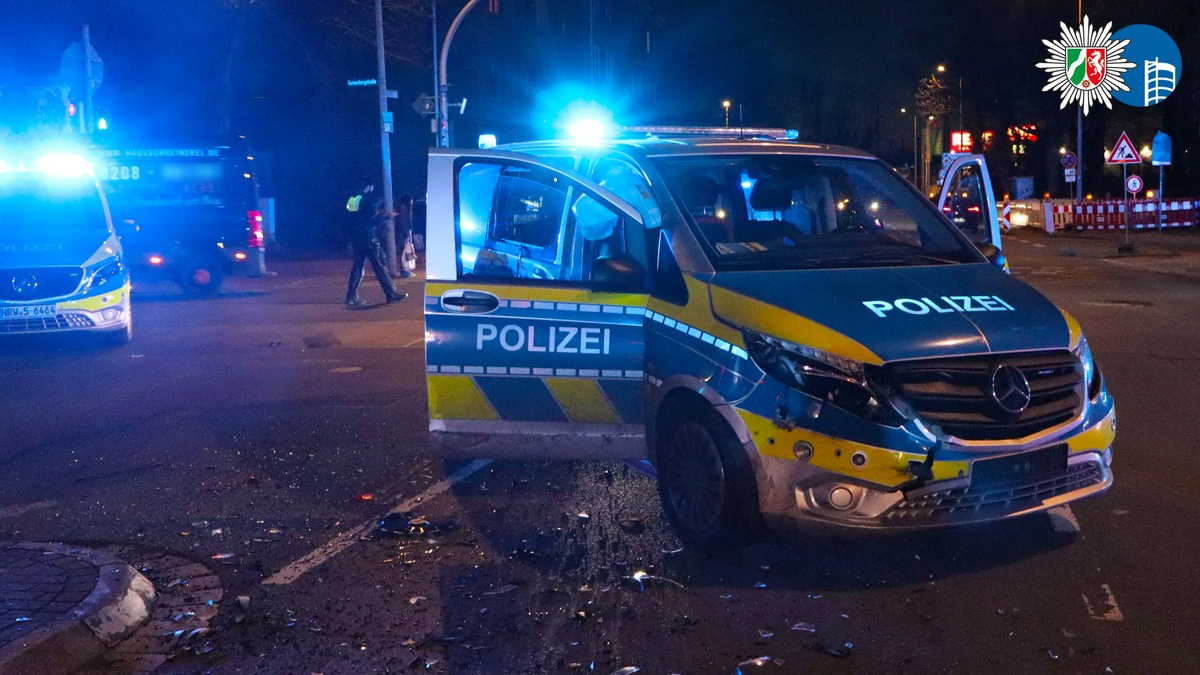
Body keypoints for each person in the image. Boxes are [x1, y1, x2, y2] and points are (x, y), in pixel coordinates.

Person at [346, 199, 407, 306]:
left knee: (358, 268)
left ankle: (351, 296)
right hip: (369, 241)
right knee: (380, 267)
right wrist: (387, 216)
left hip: (358, 240)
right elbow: (372, 221)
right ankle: (390, 293)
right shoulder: (366, 201)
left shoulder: (353, 203)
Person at [396, 192, 415, 278]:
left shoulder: (403, 208)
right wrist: (406, 235)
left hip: (404, 233)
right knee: (405, 253)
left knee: (405, 252)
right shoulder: (404, 209)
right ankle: (405, 271)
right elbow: (404, 222)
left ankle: (406, 270)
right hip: (404, 233)